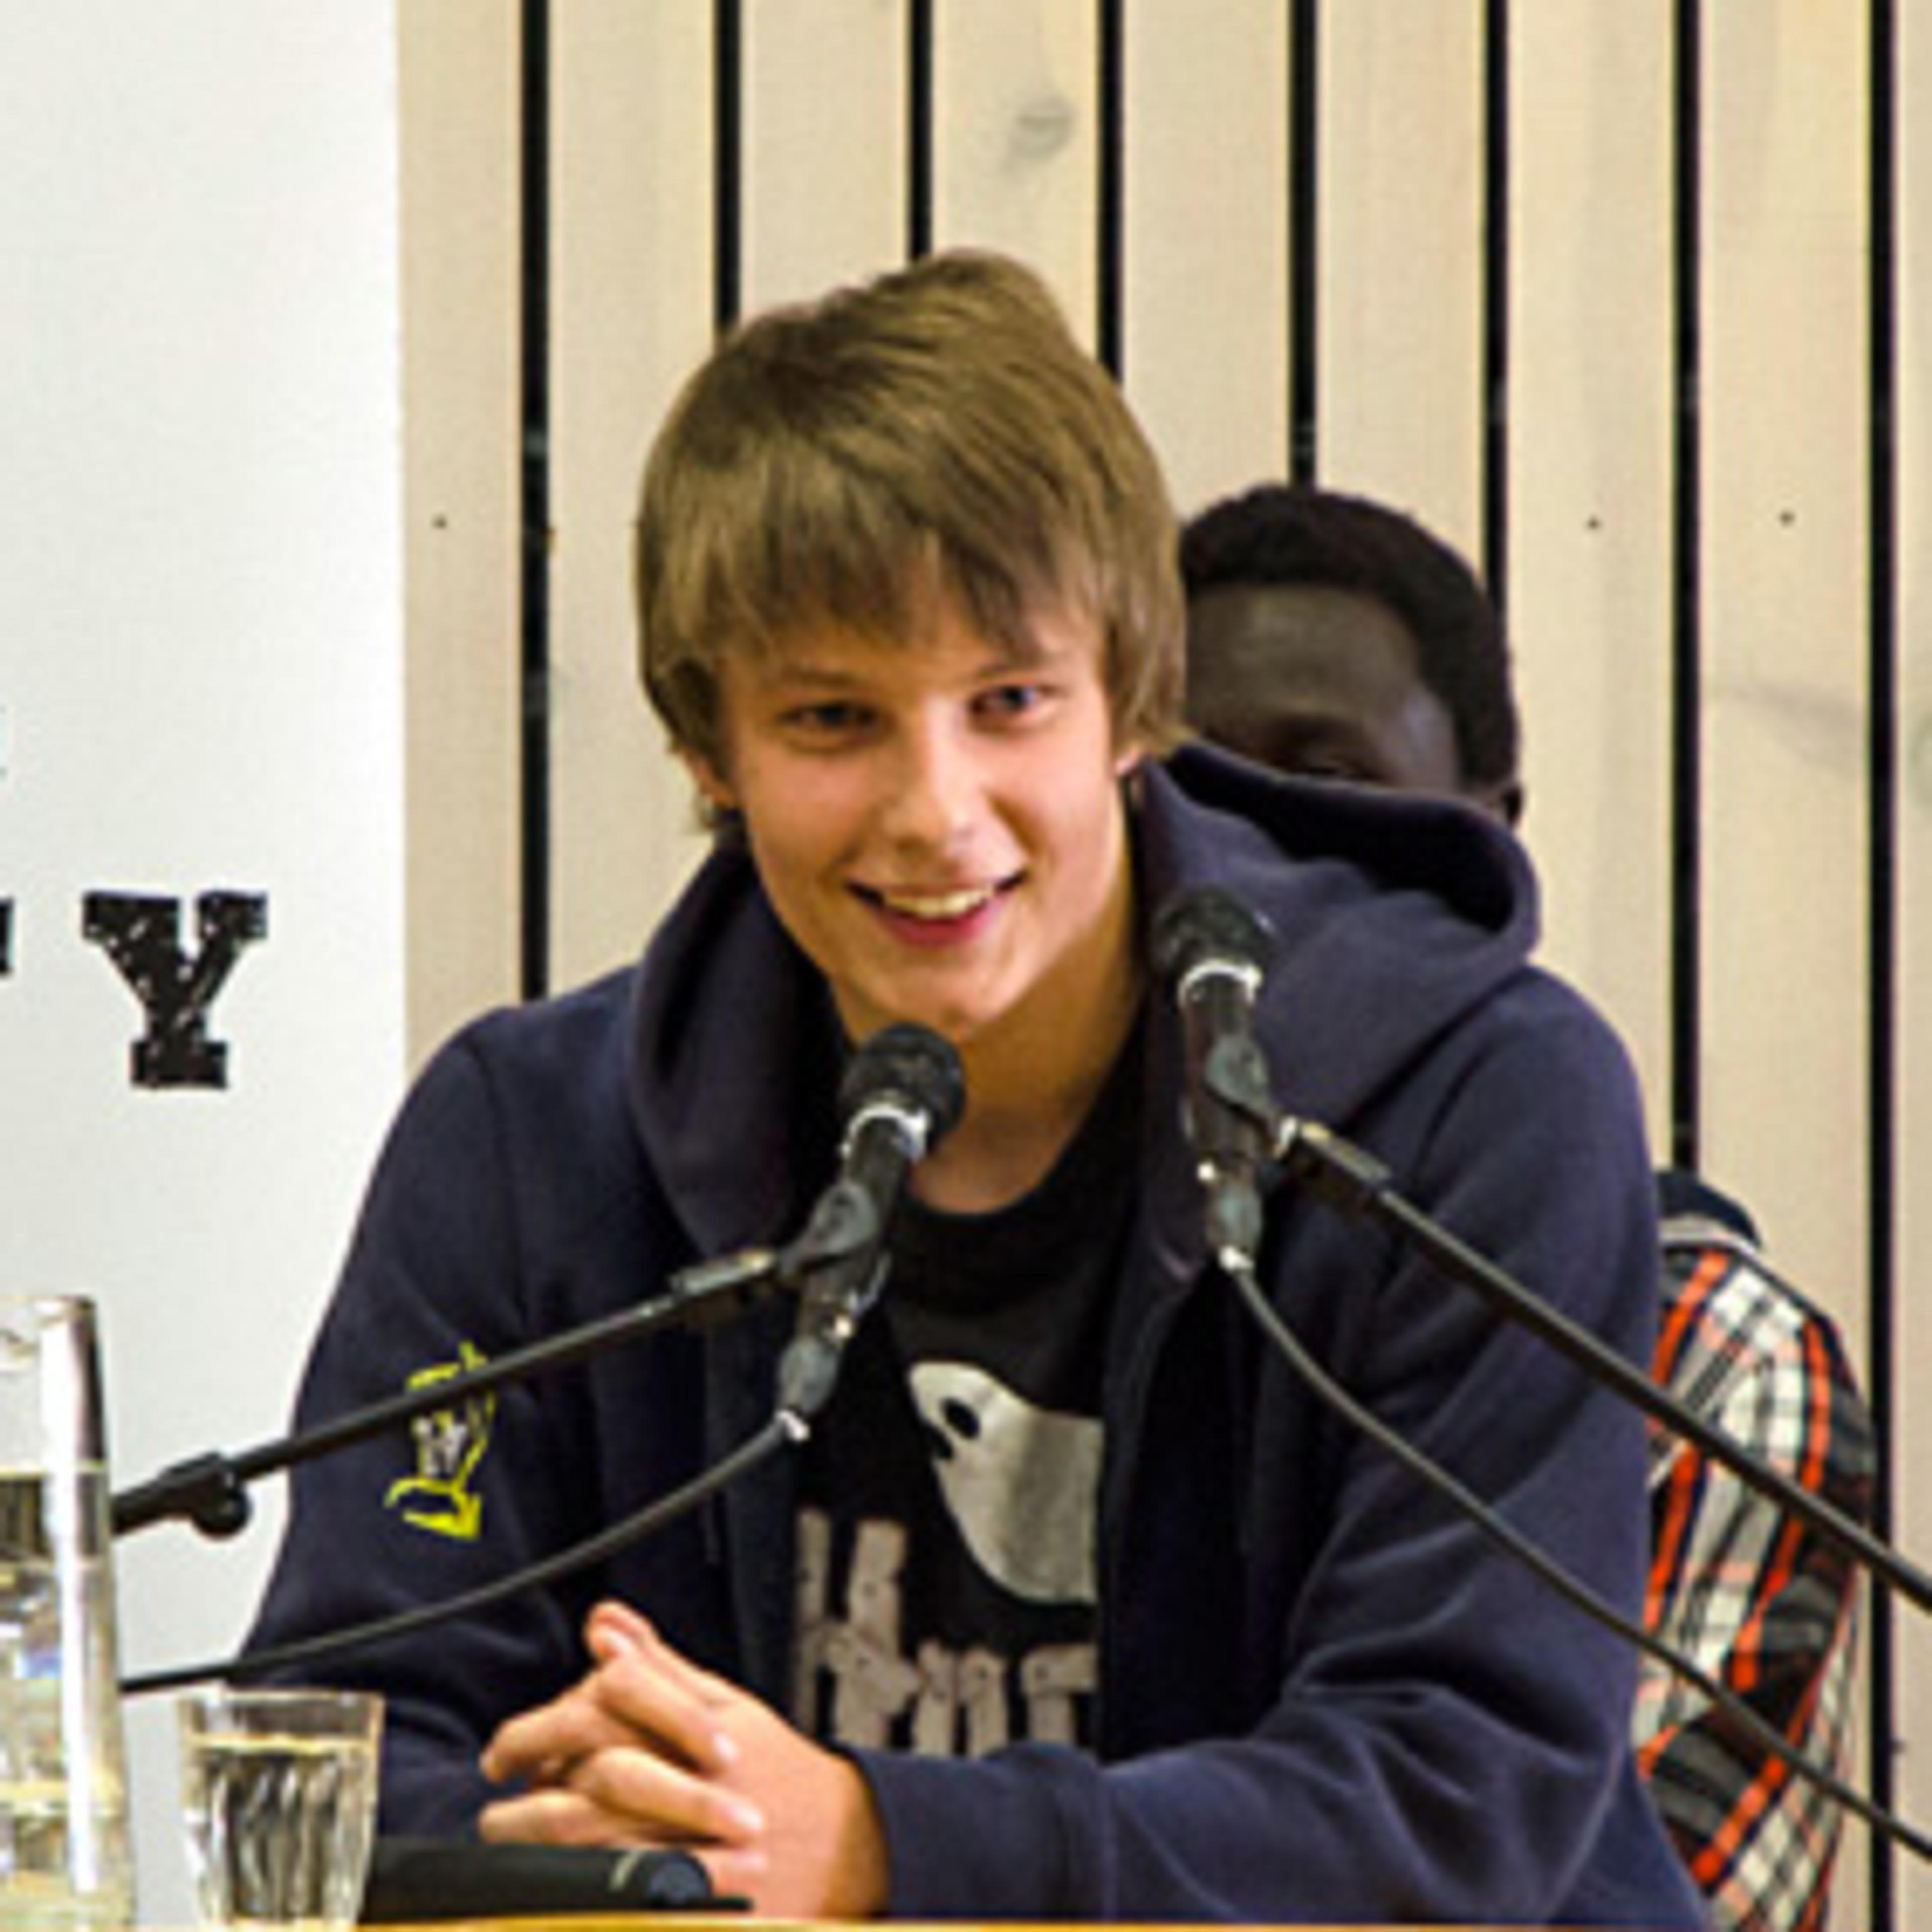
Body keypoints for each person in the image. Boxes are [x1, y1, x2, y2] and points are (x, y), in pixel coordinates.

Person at [243, 254, 1705, 1925]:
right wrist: (657, 1851)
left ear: (1132, 701)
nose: (937, 811)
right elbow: (332, 1767)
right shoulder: (523, 1143)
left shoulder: (1474, 1101)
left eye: (1010, 702)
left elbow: (1459, 1795)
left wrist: (875, 1843)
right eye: (833, 719)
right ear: (709, 749)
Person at [1182, 478, 1877, 1932]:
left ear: (1488, 833)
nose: (1250, 860)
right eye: (1194, 792)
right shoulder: (1036, 1268)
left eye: (1331, 780)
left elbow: (1638, 1901)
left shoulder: (1715, 1352)